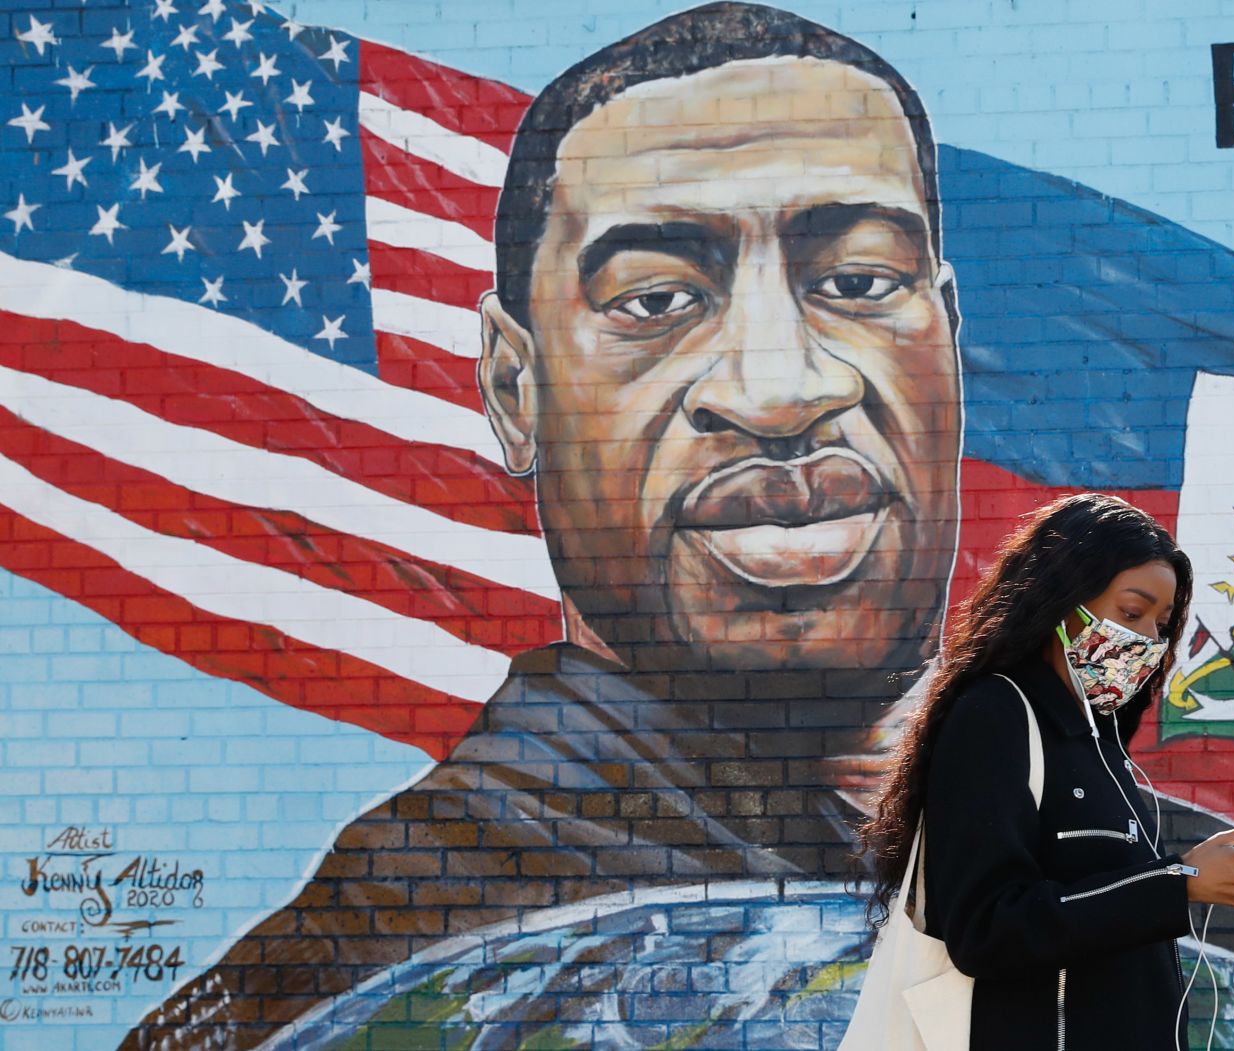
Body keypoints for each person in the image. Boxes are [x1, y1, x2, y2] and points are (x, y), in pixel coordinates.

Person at [118, 5, 964, 1049]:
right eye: (655, 299)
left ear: (948, 335)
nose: (780, 388)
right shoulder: (378, 957)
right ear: (516, 392)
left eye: (858, 282)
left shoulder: (1171, 882)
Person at [858, 493, 1234, 1049]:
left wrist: (1188, 878)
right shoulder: (995, 715)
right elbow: (986, 929)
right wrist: (1177, 883)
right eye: (1132, 613)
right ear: (1060, 599)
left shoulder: (1100, 739)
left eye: (1162, 625)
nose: (1148, 642)